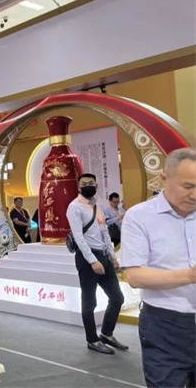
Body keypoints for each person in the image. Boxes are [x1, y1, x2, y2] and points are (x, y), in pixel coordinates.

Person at [120, 148, 196, 388]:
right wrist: (190, 276)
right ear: (164, 178)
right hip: (165, 326)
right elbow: (135, 276)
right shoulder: (140, 217)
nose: (194, 195)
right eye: (188, 186)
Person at [67, 173, 127, 354]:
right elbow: (78, 237)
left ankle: (106, 334)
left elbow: (104, 232)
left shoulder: (97, 206)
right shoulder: (74, 207)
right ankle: (92, 340)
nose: (88, 185)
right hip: (87, 258)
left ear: (96, 185)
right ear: (79, 187)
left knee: (117, 298)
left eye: (91, 183)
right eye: (84, 183)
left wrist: (112, 256)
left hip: (104, 256)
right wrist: (92, 261)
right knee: (89, 301)